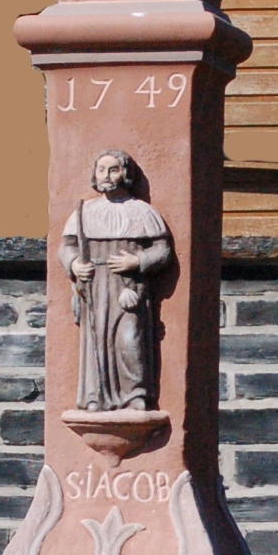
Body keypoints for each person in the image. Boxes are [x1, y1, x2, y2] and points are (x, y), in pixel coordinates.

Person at [59, 150, 172, 410]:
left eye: (113, 170)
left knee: (130, 339)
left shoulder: (141, 211)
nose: (106, 176)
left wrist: (138, 261)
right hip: (95, 285)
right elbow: (66, 246)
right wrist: (75, 264)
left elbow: (162, 250)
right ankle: (94, 397)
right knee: (95, 339)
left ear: (125, 174)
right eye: (101, 170)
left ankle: (134, 395)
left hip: (127, 287)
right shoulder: (85, 212)